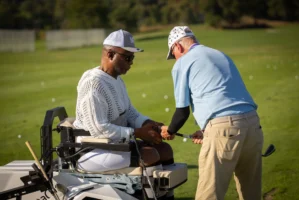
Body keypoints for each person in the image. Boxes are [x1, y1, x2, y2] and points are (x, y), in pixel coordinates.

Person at [160, 26, 264, 200]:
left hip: (224, 130)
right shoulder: (220, 54)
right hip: (253, 125)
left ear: (177, 47)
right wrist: (206, 129)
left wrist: (169, 130)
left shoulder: (182, 63)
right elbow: (227, 97)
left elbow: (182, 112)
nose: (174, 59)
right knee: (251, 194)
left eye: (173, 54)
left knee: (208, 195)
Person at [73, 29, 174, 199]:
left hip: (113, 145)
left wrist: (151, 124)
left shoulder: (117, 80)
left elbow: (130, 113)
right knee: (151, 155)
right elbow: (98, 129)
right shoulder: (93, 83)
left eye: (132, 58)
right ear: (110, 54)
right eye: (127, 57)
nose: (131, 62)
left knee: (165, 150)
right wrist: (137, 133)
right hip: (91, 150)